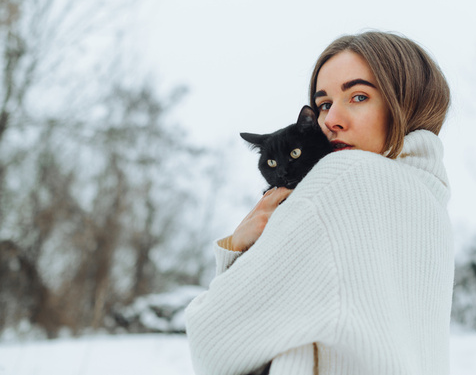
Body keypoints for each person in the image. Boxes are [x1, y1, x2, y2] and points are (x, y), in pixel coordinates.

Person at [185, 31, 453, 375]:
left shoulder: (345, 177)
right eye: (324, 103)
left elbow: (212, 340)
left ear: (406, 102)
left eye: (358, 97)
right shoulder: (433, 210)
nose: (330, 120)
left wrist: (237, 247)